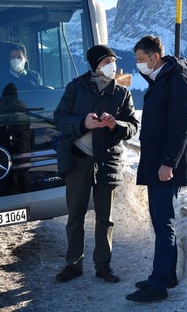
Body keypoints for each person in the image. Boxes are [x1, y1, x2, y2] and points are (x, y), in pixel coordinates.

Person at [53, 44, 139, 284]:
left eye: (113, 61)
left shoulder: (121, 93)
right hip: (78, 159)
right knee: (75, 215)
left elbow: (132, 126)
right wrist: (83, 123)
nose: (112, 65)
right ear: (95, 66)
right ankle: (73, 264)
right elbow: (59, 119)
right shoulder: (75, 88)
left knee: (105, 217)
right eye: (106, 62)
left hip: (107, 160)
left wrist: (115, 125)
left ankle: (103, 265)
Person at [126, 35, 187, 303]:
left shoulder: (175, 80)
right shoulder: (160, 78)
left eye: (141, 59)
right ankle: (166, 275)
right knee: (159, 220)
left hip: (166, 166)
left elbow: (182, 125)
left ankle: (157, 285)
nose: (138, 65)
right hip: (156, 163)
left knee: (163, 221)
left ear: (155, 57)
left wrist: (169, 162)